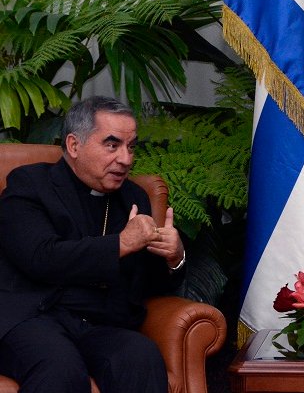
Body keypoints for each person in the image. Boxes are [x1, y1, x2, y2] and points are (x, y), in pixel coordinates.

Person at [0, 96, 186, 393]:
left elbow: (146, 284)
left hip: (99, 324)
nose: (126, 159)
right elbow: (40, 257)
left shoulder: (134, 198)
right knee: (61, 369)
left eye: (131, 146)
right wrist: (121, 244)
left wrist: (173, 257)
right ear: (74, 145)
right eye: (112, 145)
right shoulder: (30, 184)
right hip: (33, 318)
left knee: (141, 356)